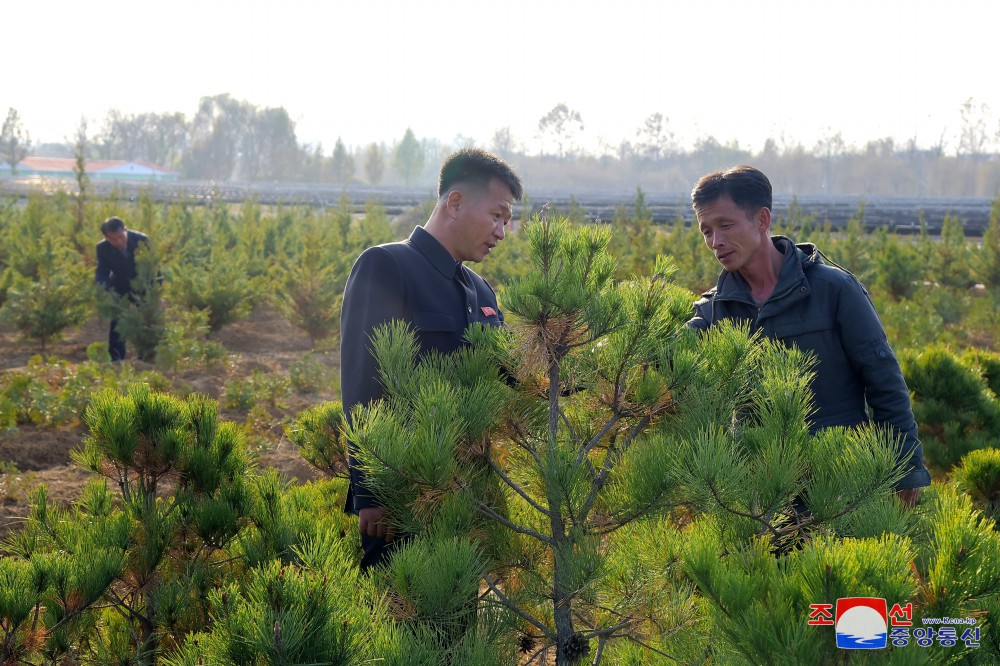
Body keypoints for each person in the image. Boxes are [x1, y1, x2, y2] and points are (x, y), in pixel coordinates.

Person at [686, 165, 930, 507]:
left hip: (843, 484)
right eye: (706, 231)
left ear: (761, 219)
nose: (716, 241)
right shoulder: (716, 309)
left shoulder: (834, 290)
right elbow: (666, 354)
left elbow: (885, 383)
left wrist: (905, 469)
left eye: (725, 225)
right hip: (761, 499)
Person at [340, 148, 523, 570]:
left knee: (462, 627)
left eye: (507, 220)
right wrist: (372, 494)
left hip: (466, 497)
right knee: (397, 624)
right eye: (497, 215)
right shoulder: (386, 266)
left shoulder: (481, 291)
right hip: (402, 497)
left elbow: (512, 374)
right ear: (455, 202)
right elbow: (361, 382)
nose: (502, 231)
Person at [94, 216, 150, 361]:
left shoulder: (142, 240)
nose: (118, 242)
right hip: (120, 286)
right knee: (118, 322)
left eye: (121, 237)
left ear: (125, 230)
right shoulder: (102, 248)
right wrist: (104, 290)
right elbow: (102, 272)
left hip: (143, 285)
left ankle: (146, 358)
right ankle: (116, 360)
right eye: (113, 239)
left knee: (146, 321)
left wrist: (154, 290)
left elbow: (153, 267)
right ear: (106, 238)